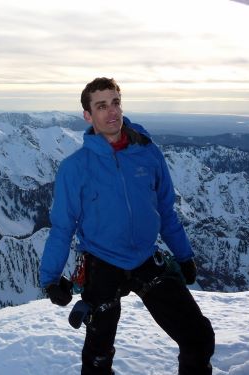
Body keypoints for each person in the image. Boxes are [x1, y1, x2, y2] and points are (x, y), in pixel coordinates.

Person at [39, 77, 215, 375]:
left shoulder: (148, 154)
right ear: (88, 115)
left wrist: (184, 257)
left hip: (146, 257)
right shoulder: (76, 167)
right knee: (98, 356)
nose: (112, 112)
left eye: (116, 102)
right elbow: (62, 227)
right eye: (102, 105)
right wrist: (51, 279)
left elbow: (165, 211)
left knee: (199, 337)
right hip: (102, 261)